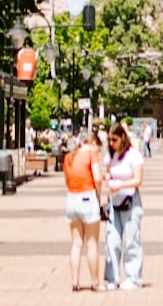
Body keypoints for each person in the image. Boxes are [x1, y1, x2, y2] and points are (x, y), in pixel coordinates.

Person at [62, 126, 104, 292]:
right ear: (92, 142)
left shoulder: (69, 157)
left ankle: (75, 281)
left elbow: (67, 180)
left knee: (76, 243)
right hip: (88, 196)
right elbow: (98, 178)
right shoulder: (91, 153)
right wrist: (99, 196)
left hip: (72, 198)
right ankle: (94, 282)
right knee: (92, 243)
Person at [104, 121, 145, 290]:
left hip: (130, 201)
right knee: (112, 240)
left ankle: (133, 277)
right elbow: (107, 172)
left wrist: (120, 184)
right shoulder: (110, 156)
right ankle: (112, 277)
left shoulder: (133, 156)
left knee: (131, 240)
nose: (111, 143)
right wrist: (108, 179)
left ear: (122, 138)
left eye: (114, 140)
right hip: (114, 201)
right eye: (109, 140)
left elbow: (138, 180)